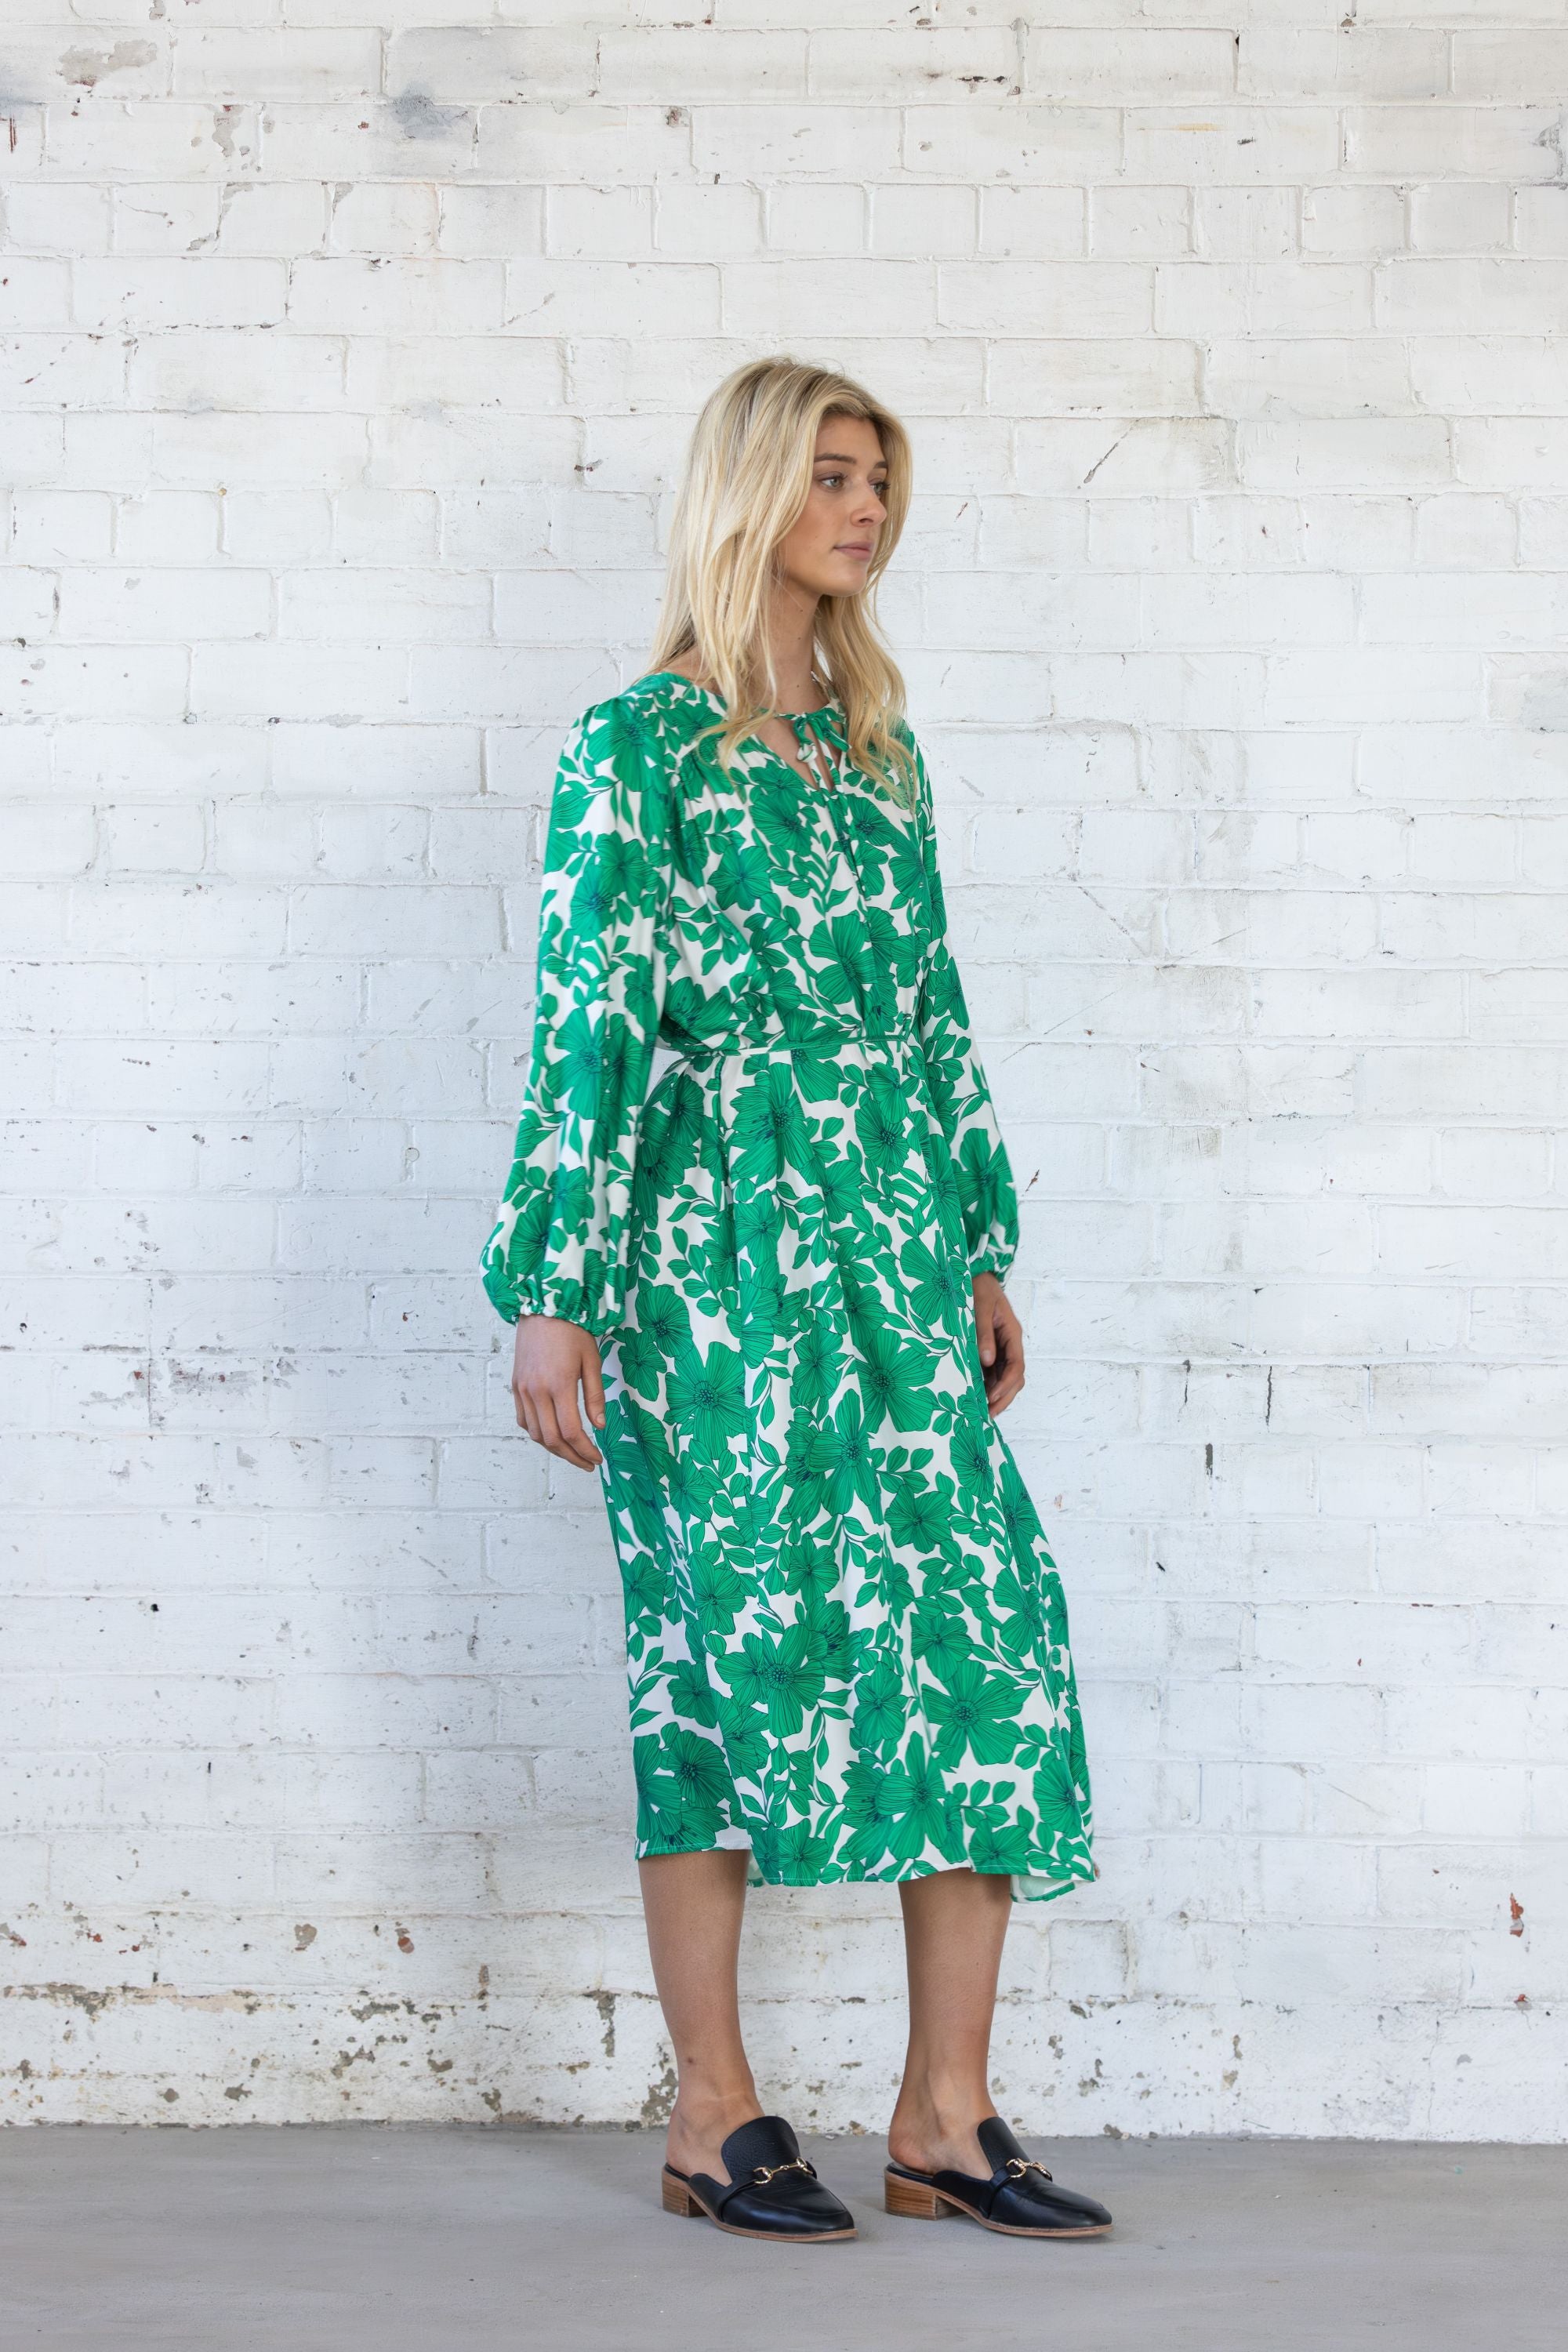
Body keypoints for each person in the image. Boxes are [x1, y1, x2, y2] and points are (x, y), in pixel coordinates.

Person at [480, 357, 1109, 2245]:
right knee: (714, 1675)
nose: (865, 511)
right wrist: (552, 1285)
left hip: (899, 1258)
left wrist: (980, 1241)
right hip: (707, 1271)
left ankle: (945, 2116)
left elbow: (931, 1013)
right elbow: (585, 1023)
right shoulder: (638, 747)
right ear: (752, 491)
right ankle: (715, 2113)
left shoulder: (876, 753)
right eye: (832, 477)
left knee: (987, 1655)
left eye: (879, 483)